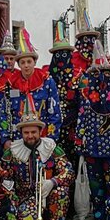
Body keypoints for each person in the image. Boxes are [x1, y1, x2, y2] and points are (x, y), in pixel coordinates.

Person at [2, 96, 73, 220]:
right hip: (25, 197)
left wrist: (52, 182)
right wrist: (13, 201)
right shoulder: (12, 151)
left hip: (48, 193)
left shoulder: (51, 147)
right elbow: (5, 178)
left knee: (61, 193)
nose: (30, 136)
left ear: (40, 131)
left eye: (34, 132)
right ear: (21, 132)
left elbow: (68, 170)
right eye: (26, 132)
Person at [76, 41, 110, 220]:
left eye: (105, 73)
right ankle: (99, 219)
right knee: (96, 187)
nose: (101, 77)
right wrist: (80, 143)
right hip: (92, 150)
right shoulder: (86, 97)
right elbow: (81, 121)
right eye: (95, 73)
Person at [9, 28, 62, 140]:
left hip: (43, 137)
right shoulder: (11, 84)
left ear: (35, 62)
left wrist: (52, 138)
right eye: (22, 62)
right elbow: (5, 112)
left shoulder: (47, 81)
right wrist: (6, 139)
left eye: (29, 62)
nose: (26, 65)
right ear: (18, 64)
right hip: (18, 138)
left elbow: (55, 111)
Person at [45, 22, 80, 185]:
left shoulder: (79, 77)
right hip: (53, 129)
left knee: (72, 162)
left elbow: (82, 104)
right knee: (54, 162)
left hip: (73, 129)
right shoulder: (47, 77)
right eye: (57, 54)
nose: (61, 58)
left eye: (65, 53)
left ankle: (74, 202)